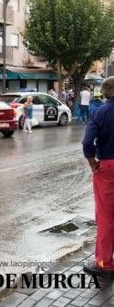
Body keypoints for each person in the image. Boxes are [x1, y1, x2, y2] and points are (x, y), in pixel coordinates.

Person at [82, 76, 114, 279]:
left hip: (108, 166)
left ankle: (104, 263)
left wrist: (92, 161)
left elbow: (87, 143)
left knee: (106, 215)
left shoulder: (99, 112)